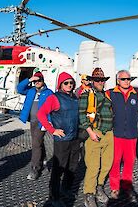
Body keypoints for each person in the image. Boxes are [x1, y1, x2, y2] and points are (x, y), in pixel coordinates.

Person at [37, 72, 80, 207]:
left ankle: (66, 189)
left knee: (72, 166)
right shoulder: (54, 98)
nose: (69, 85)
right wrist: (52, 130)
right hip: (62, 139)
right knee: (59, 168)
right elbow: (41, 114)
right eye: (66, 83)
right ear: (60, 84)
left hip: (75, 138)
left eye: (71, 83)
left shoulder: (74, 97)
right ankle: (54, 196)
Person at [107, 70, 138, 201]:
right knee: (115, 161)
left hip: (131, 135)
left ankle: (126, 188)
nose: (126, 81)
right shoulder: (110, 93)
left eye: (128, 79)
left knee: (129, 161)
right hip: (116, 134)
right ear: (118, 80)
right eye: (123, 79)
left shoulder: (137, 93)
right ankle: (114, 187)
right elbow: (96, 99)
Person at [79, 67, 113, 207]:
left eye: (102, 80)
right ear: (92, 81)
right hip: (94, 133)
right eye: (97, 80)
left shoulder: (106, 94)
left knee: (106, 165)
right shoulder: (86, 94)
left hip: (109, 134)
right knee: (93, 167)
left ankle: (99, 187)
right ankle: (89, 193)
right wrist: (90, 132)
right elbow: (82, 115)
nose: (100, 82)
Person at [17, 71, 53, 180]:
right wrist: (29, 80)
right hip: (32, 121)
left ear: (43, 81)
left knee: (35, 145)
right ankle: (44, 162)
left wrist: (48, 122)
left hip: (42, 123)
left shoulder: (48, 92)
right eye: (35, 81)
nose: (37, 82)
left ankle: (35, 169)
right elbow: (19, 88)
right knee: (38, 143)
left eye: (39, 80)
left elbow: (51, 108)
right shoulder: (30, 91)